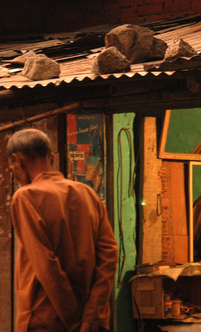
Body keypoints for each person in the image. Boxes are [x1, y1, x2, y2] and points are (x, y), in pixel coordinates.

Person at [8, 128, 118, 332]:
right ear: (51, 157)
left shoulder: (25, 196)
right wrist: (91, 315)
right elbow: (109, 255)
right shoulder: (87, 193)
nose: (14, 172)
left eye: (11, 167)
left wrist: (74, 322)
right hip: (91, 322)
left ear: (18, 160)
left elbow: (46, 266)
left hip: (47, 318)